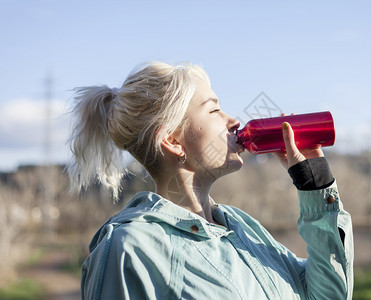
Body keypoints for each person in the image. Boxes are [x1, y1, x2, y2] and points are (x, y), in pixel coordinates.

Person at [67, 61, 353, 300]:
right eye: (214, 109)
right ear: (172, 140)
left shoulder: (241, 227)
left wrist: (315, 183)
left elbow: (327, 295)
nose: (234, 121)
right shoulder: (130, 248)